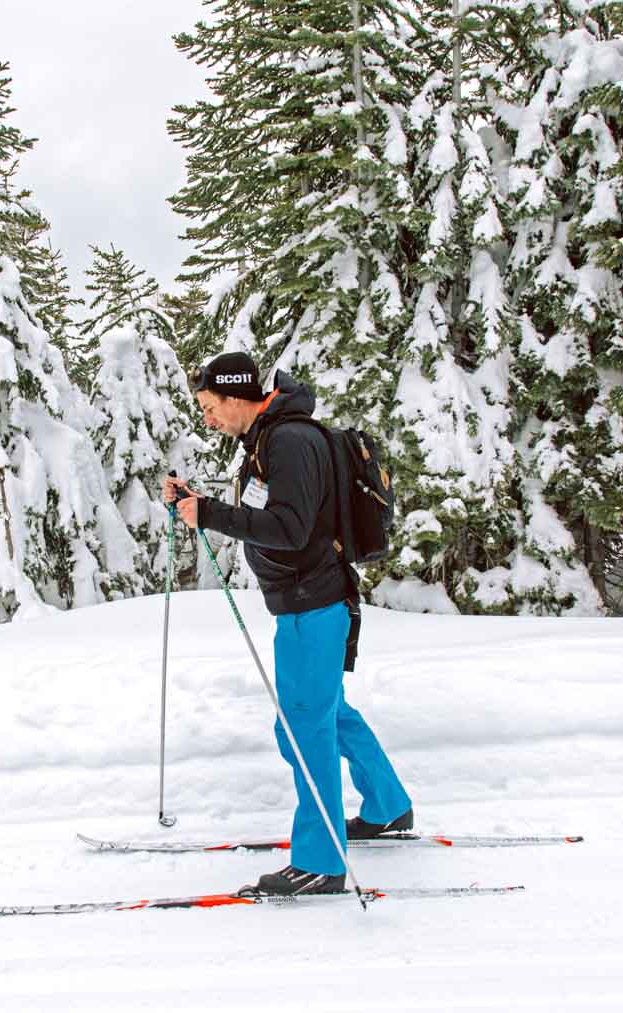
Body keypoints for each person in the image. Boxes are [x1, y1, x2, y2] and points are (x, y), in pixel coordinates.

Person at [163, 351, 414, 896]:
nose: (207, 418)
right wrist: (201, 503)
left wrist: (209, 516)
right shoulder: (268, 438)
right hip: (306, 604)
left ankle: (321, 861)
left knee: (303, 728)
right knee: (326, 713)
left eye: (209, 407)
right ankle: (388, 807)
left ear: (235, 397)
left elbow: (291, 529)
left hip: (312, 605)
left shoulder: (289, 441)